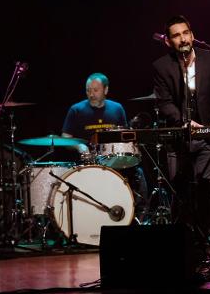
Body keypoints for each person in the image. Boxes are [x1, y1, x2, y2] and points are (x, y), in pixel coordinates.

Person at [153, 15, 210, 231]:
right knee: (180, 191)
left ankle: (203, 238)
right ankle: (182, 241)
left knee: (204, 188)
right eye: (176, 35)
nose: (183, 39)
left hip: (206, 136)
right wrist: (183, 122)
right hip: (178, 139)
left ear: (193, 35)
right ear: (169, 42)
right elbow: (165, 102)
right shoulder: (161, 66)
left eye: (186, 33)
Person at [62, 72, 148, 219]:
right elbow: (65, 138)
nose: (91, 94)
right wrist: (79, 147)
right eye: (88, 90)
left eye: (95, 90)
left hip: (114, 161)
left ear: (106, 90)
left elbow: (124, 135)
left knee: (138, 173)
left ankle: (135, 218)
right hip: (88, 163)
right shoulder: (76, 109)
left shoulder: (117, 108)